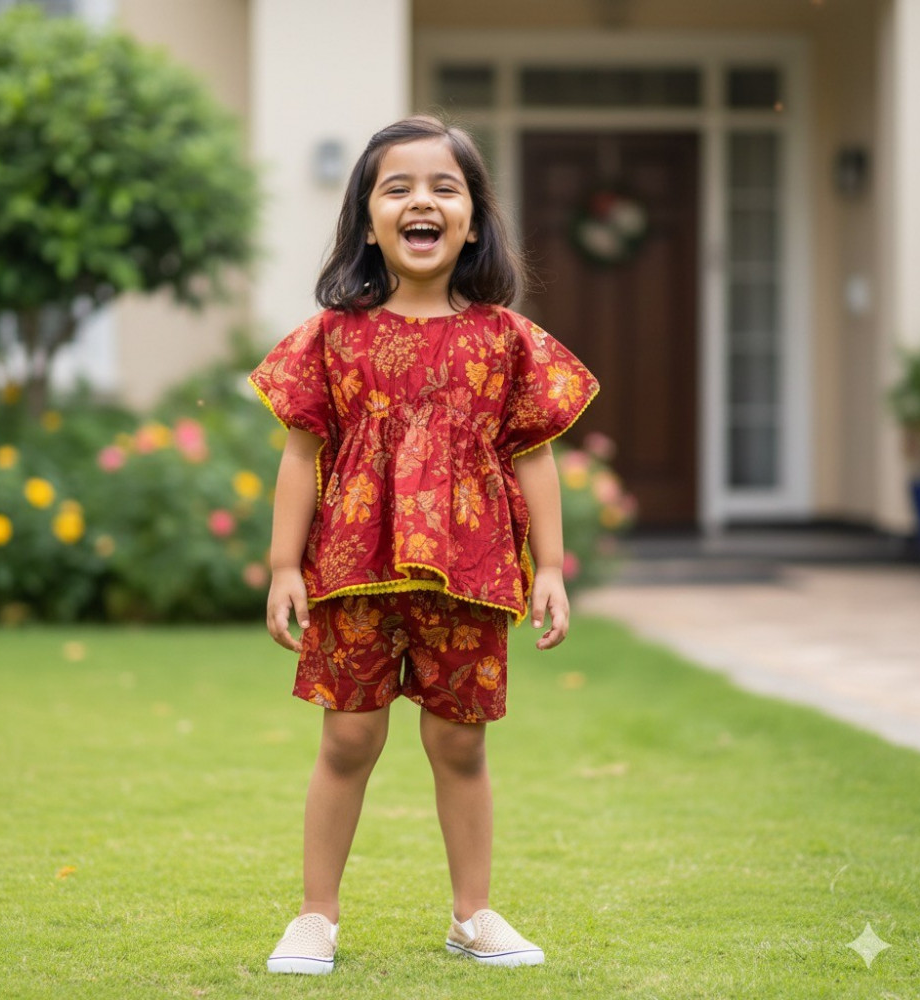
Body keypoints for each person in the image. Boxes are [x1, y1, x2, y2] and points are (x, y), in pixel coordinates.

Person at [250, 114, 598, 975]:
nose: (421, 201)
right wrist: (284, 565)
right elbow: (301, 455)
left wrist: (550, 567)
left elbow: (536, 458)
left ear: (473, 219)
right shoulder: (333, 336)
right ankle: (314, 919)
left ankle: (472, 915)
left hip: (472, 570)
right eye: (397, 186)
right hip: (353, 570)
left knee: (460, 743)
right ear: (367, 217)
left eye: (445, 187)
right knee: (347, 740)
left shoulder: (506, 339)